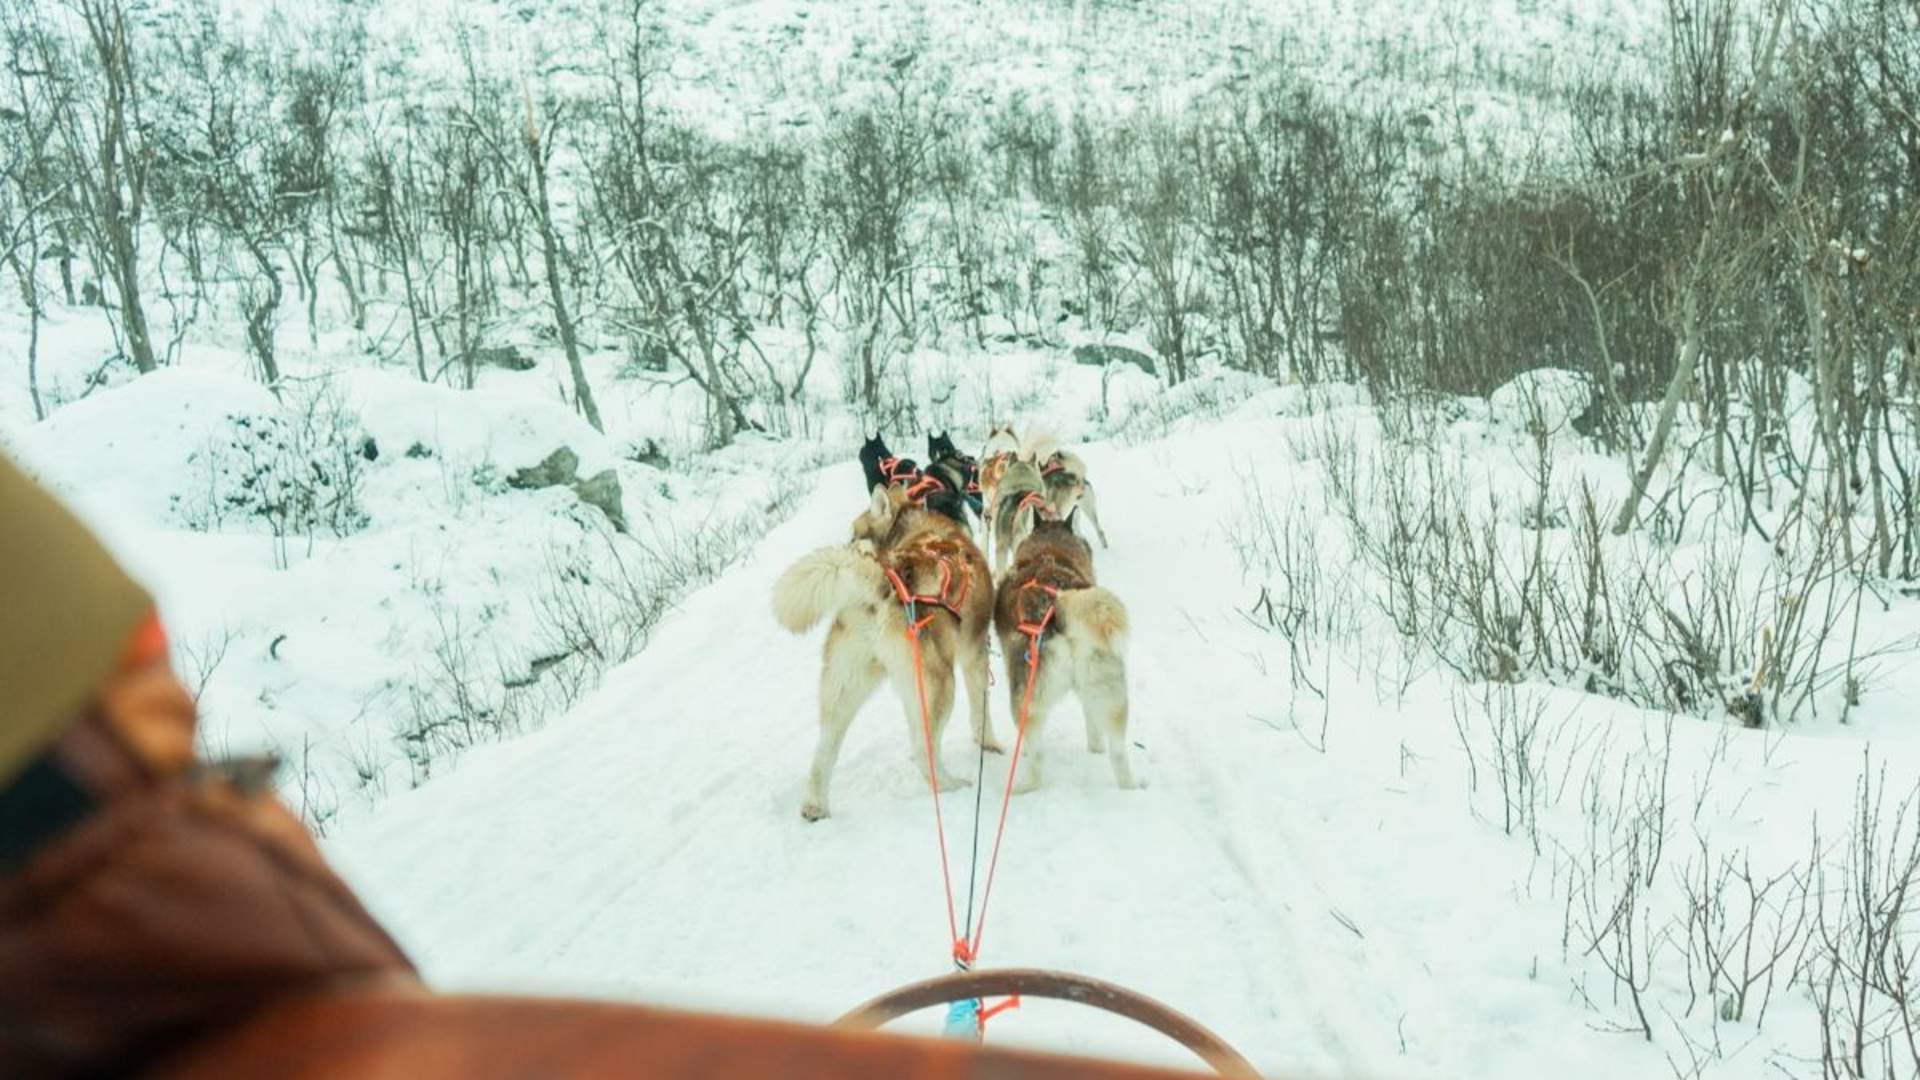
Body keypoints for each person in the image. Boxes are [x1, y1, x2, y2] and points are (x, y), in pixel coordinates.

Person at [0, 451, 1206, 1079]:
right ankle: (945, 755)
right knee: (933, 690)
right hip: (910, 624)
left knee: (839, 719)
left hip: (857, 618)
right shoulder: (264, 992)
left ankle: (825, 776)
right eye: (147, 668)